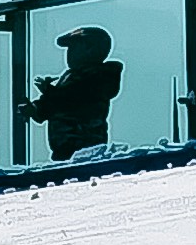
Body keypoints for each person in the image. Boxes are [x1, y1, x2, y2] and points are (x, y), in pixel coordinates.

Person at [24, 24, 122, 164]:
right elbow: (55, 104)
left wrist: (49, 91)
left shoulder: (102, 75)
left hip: (86, 144)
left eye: (74, 47)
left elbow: (76, 98)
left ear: (92, 49)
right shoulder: (70, 77)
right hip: (63, 147)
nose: (69, 53)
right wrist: (35, 108)